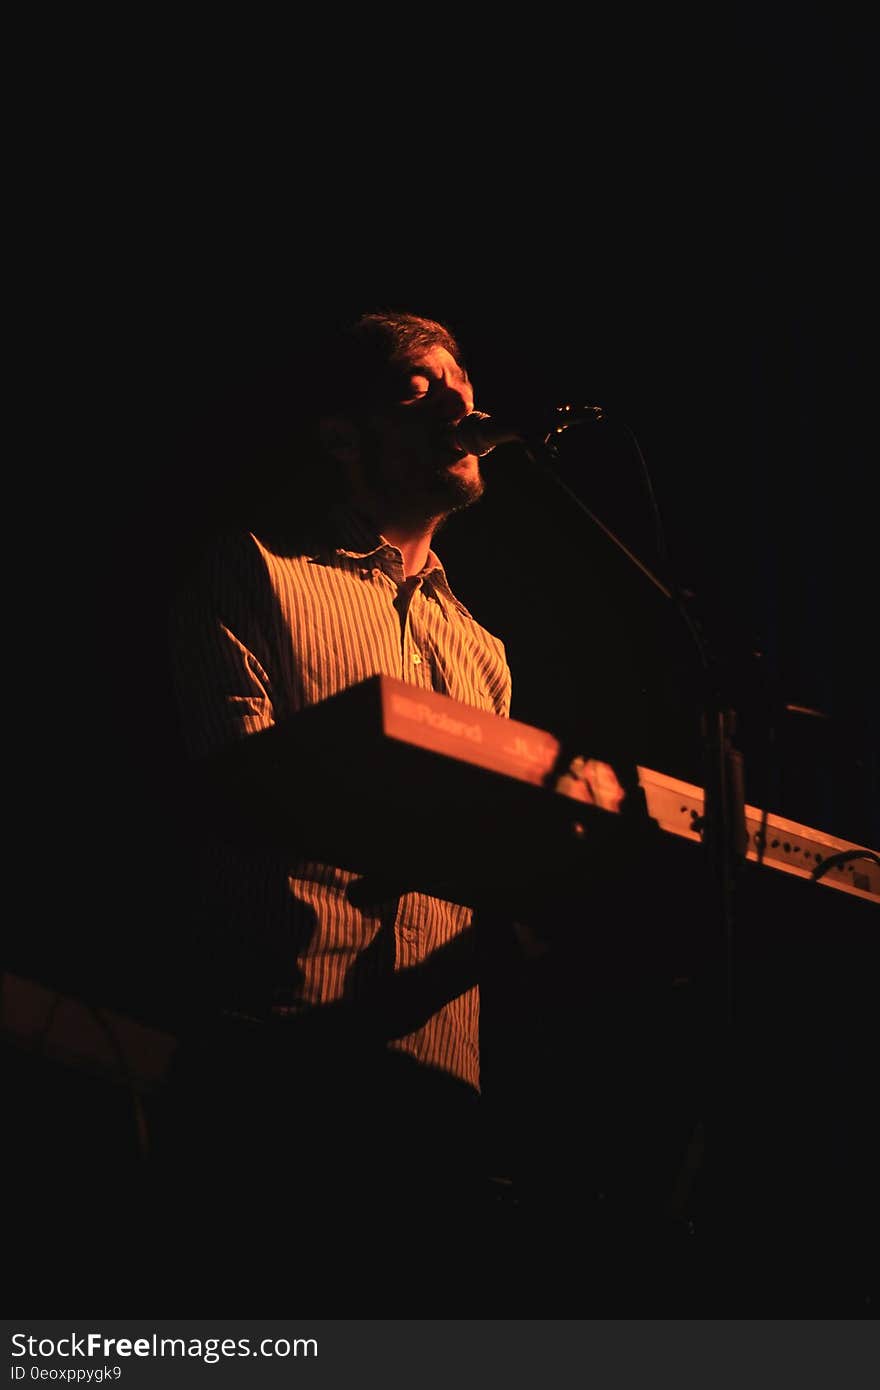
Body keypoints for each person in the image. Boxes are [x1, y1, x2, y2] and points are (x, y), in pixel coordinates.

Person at [162, 310, 530, 1312]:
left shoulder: (486, 653)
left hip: (439, 1090)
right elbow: (236, 789)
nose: (463, 400)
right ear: (342, 435)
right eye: (420, 385)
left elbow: (492, 863)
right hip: (277, 1063)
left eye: (465, 379)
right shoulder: (255, 572)